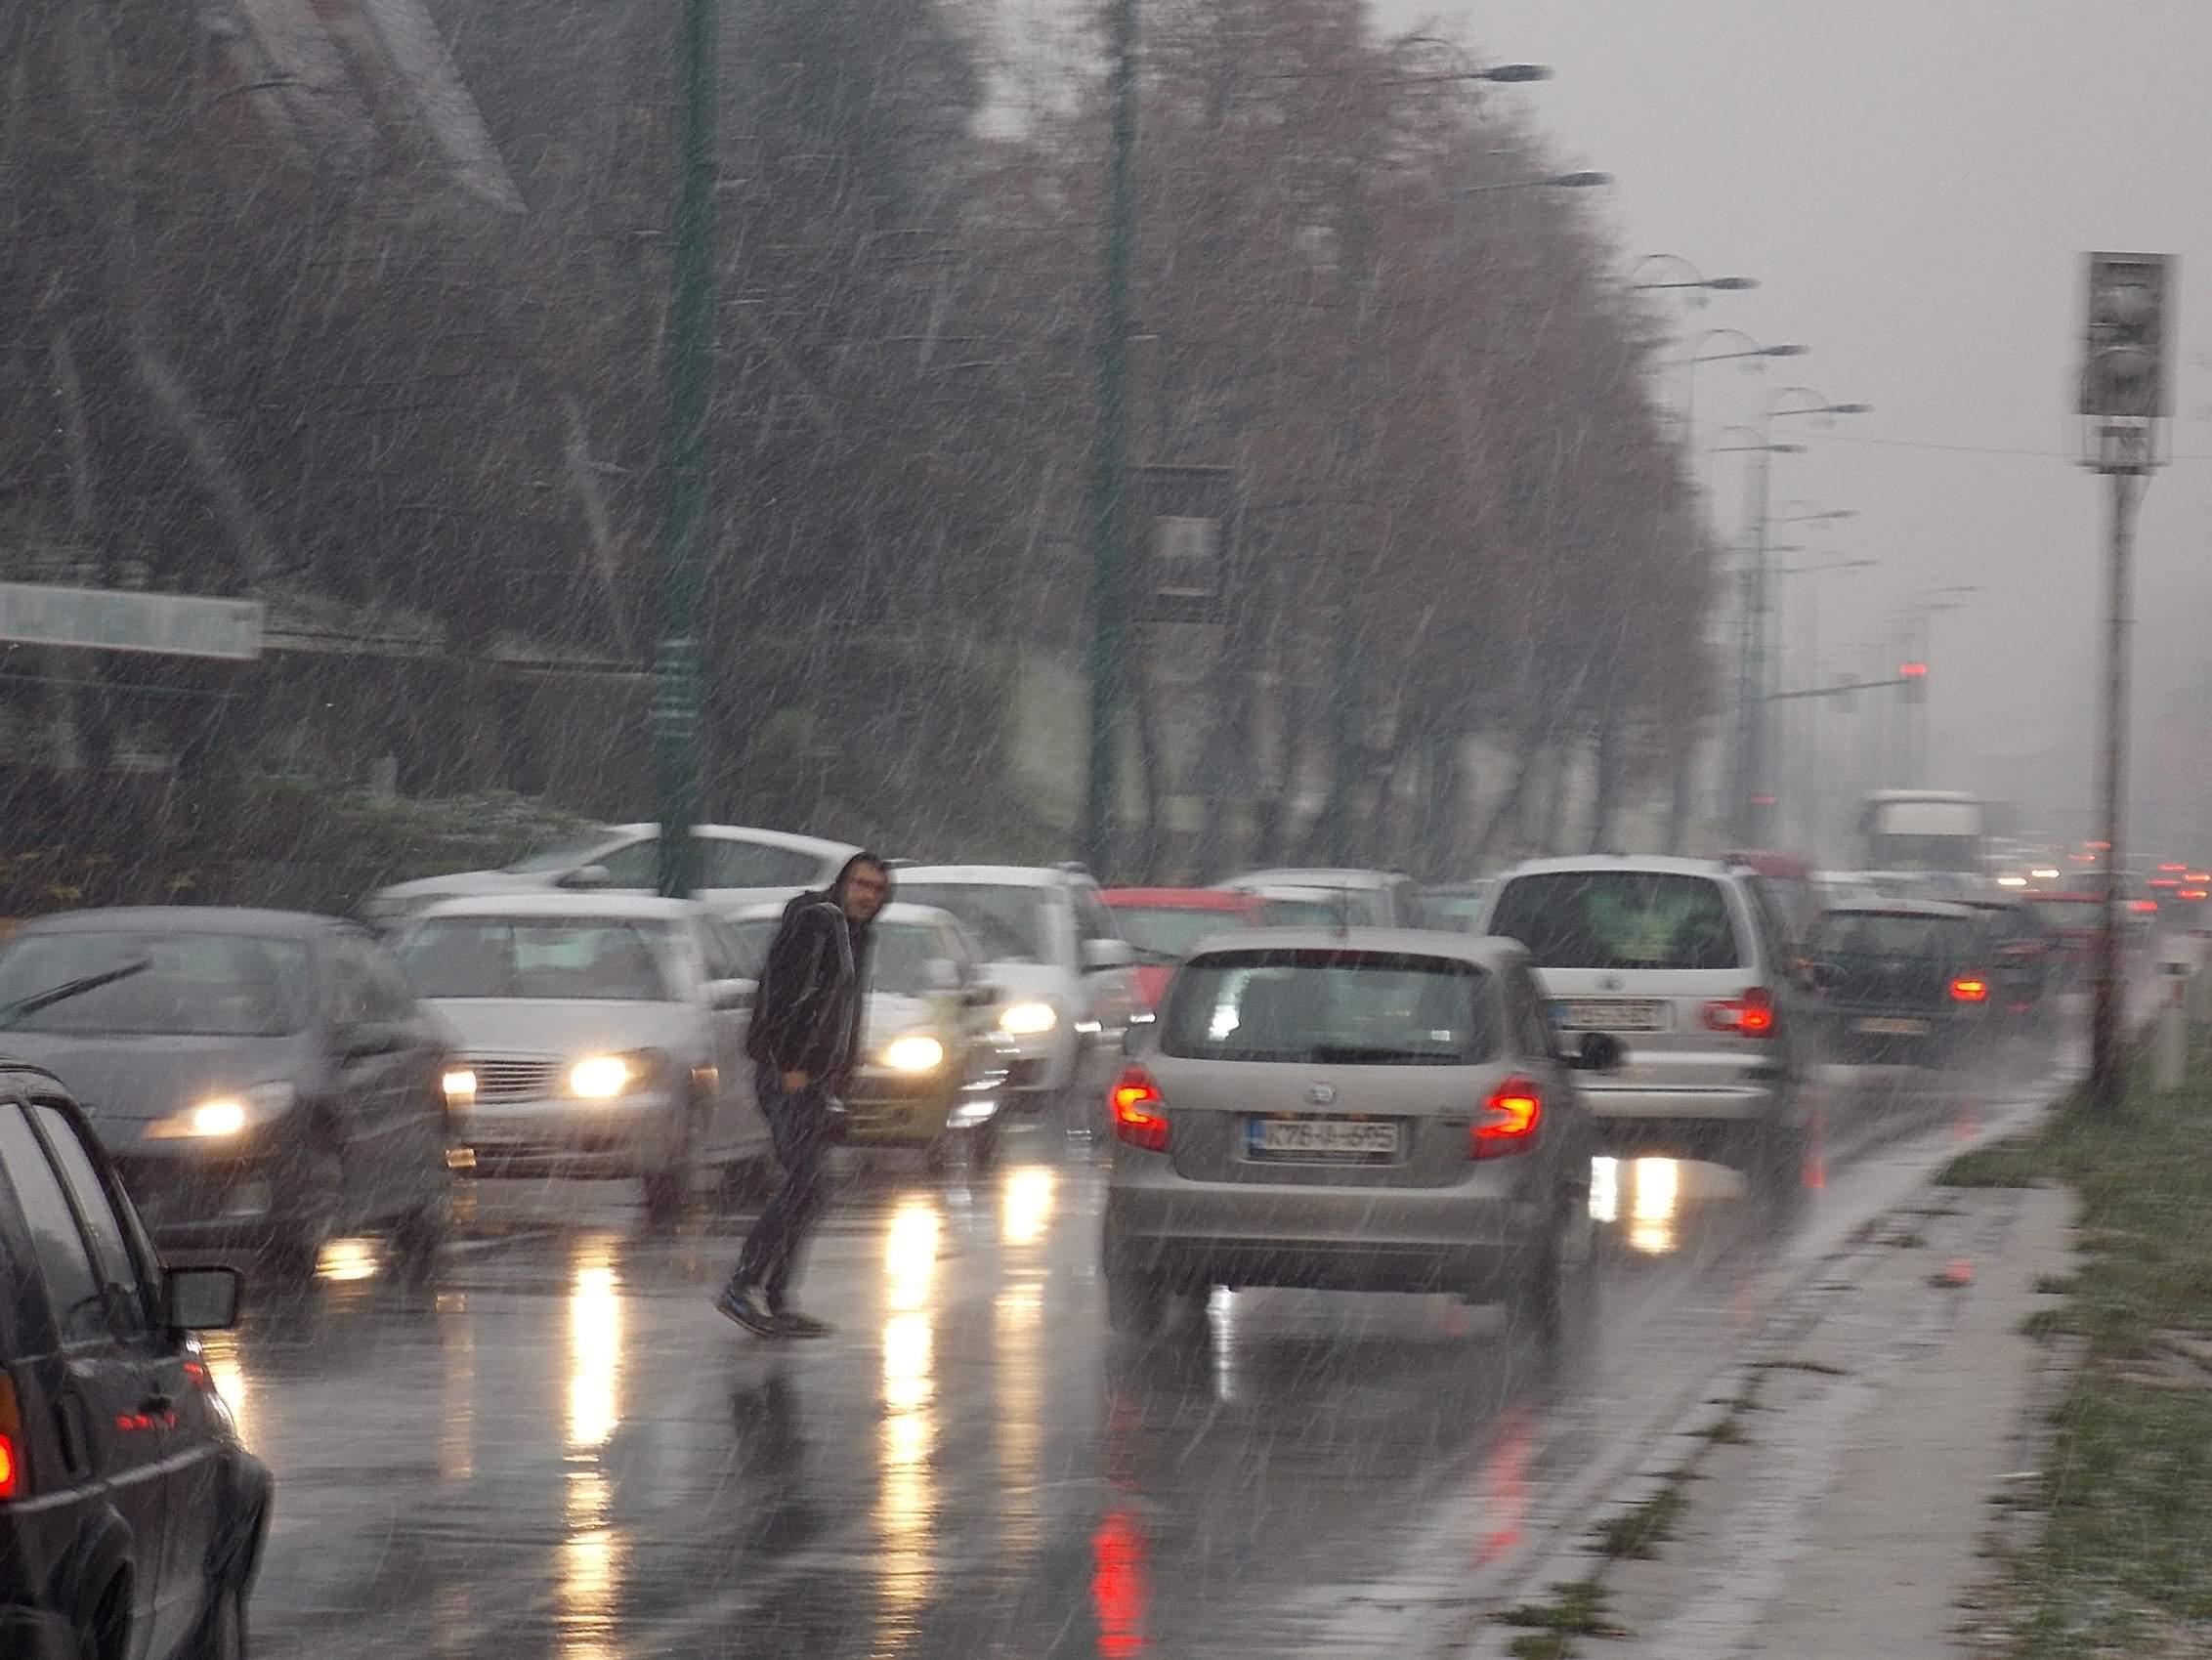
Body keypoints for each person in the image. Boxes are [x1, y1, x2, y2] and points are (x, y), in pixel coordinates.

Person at [714, 851, 890, 1338]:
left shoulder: (855, 933)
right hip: (789, 1075)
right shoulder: (816, 922)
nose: (868, 896)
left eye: (877, 889)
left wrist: (837, 1080)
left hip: (819, 1081)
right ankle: (743, 1285)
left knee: (811, 1188)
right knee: (804, 1182)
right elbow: (782, 993)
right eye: (861, 884)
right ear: (843, 882)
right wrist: (789, 1062)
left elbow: (839, 1011)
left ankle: (775, 1296)